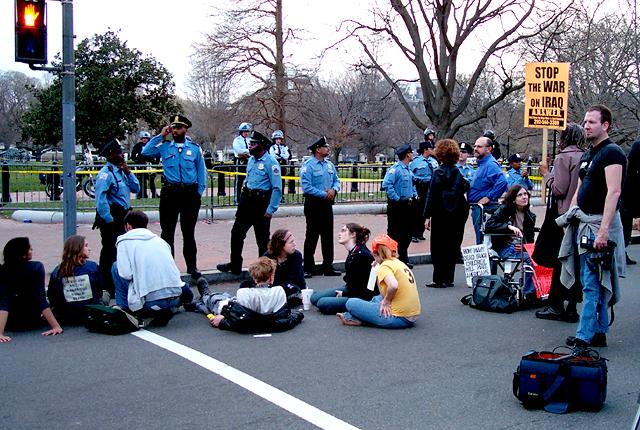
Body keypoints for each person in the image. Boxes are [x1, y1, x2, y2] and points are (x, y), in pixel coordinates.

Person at [561, 105, 626, 348]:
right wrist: (570, 215)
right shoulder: (589, 154)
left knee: (592, 283)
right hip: (583, 223)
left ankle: (584, 335)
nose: (586, 125)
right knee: (595, 281)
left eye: (592, 122)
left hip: (598, 224)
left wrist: (603, 230)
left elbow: (614, 192)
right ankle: (598, 330)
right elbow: (580, 187)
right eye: (585, 122)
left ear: (605, 125)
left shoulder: (613, 154)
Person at [142, 115, 207, 279]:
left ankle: (192, 267)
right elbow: (145, 152)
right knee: (167, 233)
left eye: (179, 128)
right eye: (174, 127)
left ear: (186, 129)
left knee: (188, 232)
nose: (176, 130)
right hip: (170, 194)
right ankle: (168, 267)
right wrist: (161, 135)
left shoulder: (194, 148)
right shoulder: (165, 147)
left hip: (189, 194)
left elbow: (201, 172)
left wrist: (198, 194)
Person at [535, 123, 585, 322]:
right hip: (579, 214)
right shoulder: (586, 156)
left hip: (561, 215)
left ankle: (556, 305)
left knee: (559, 259)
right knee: (574, 261)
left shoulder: (564, 157)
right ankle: (572, 306)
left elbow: (559, 189)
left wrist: (547, 175)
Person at [217, 131, 283, 275]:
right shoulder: (252, 160)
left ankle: (264, 270)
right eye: (250, 143)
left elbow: (277, 188)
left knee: (263, 239)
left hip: (261, 202)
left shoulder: (271, 163)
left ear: (261, 146)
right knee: (236, 233)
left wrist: (271, 209)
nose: (250, 146)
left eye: (253, 144)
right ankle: (235, 264)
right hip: (247, 200)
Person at [111, 210, 194, 324]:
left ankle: (124, 308)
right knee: (178, 286)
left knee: (116, 267)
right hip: (174, 297)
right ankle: (171, 305)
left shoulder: (124, 242)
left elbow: (125, 274)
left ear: (128, 226)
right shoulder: (160, 241)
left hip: (149, 302)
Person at [336, 234, 420, 329]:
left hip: (398, 318)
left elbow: (393, 285)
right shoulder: (399, 263)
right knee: (377, 298)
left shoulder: (384, 267)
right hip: (412, 315)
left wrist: (386, 301)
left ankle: (352, 317)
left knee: (351, 303)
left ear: (375, 254)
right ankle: (357, 317)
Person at [205, 257, 304, 333]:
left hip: (230, 307)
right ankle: (207, 295)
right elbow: (285, 319)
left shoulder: (243, 293)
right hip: (252, 311)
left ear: (254, 278)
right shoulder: (279, 292)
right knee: (227, 297)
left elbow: (238, 319)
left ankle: (206, 295)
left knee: (217, 299)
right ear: (270, 278)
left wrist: (222, 322)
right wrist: (298, 314)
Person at [93, 139, 140, 295]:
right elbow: (101, 200)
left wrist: (128, 172)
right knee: (109, 252)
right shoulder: (105, 175)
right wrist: (109, 220)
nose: (122, 155)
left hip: (124, 215)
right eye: (119, 152)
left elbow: (136, 188)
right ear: (111, 154)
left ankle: (119, 282)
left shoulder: (122, 172)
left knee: (123, 251)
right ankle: (107, 285)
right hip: (112, 218)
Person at [424, 139, 470, 288]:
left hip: (440, 213)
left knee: (438, 246)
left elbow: (431, 195)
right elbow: (465, 187)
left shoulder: (438, 172)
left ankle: (438, 278)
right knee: (452, 245)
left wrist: (427, 216)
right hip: (456, 213)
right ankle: (449, 278)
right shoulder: (458, 172)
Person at [0, 238, 63, 342]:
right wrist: (56, 326)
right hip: (32, 319)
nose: (32, 250)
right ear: (23, 254)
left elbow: (4, 302)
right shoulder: (36, 267)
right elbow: (41, 299)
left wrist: (0, 333)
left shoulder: (4, 271)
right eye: (29, 248)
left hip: (10, 322)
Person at [484, 185, 538, 302]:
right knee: (532, 260)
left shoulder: (530, 216)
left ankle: (538, 291)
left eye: (525, 194)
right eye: (520, 195)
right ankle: (529, 294)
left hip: (521, 247)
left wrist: (524, 247)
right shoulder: (504, 209)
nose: (524, 197)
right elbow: (489, 225)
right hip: (505, 247)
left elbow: (530, 239)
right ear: (513, 199)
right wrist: (508, 227)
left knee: (542, 257)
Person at [311, 223, 377, 314]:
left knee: (322, 303)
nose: (339, 233)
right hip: (351, 288)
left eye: (343, 230)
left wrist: (344, 294)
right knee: (314, 298)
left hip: (361, 296)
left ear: (353, 234)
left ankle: (356, 307)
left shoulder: (361, 255)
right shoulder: (354, 251)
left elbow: (364, 288)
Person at [300, 136, 341, 278]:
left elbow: (336, 180)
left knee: (327, 236)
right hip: (314, 204)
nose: (328, 149)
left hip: (327, 205)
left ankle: (328, 266)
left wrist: (334, 190)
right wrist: (324, 194)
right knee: (311, 236)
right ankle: (308, 268)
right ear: (318, 149)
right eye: (325, 147)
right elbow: (306, 187)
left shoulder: (329, 165)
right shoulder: (308, 166)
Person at [48, 235, 103, 324]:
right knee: (106, 294)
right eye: (86, 246)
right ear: (78, 249)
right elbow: (99, 290)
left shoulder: (57, 271)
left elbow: (53, 296)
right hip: (91, 311)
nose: (89, 249)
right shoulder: (92, 267)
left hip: (66, 314)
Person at [468, 136, 508, 244]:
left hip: (485, 210)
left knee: (483, 241)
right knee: (481, 239)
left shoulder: (490, 164)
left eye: (479, 146)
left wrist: (489, 197)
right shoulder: (483, 163)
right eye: (475, 146)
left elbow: (502, 182)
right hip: (478, 208)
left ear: (489, 149)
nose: (475, 148)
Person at [382, 144, 416, 266]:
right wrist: (396, 199)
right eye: (411, 152)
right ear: (407, 154)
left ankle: (403, 257)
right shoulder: (395, 169)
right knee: (395, 233)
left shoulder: (408, 169)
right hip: (397, 205)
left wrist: (414, 195)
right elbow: (387, 185)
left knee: (407, 233)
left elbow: (412, 185)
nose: (412, 154)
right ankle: (393, 259)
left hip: (408, 204)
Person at [263, 229, 305, 306]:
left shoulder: (296, 256)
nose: (294, 244)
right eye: (291, 242)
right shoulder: (268, 257)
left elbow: (292, 280)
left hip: (292, 288)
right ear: (281, 245)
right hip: (273, 289)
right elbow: (263, 278)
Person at [410, 140, 438, 242]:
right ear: (425, 150)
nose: (432, 150)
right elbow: (411, 177)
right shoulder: (415, 162)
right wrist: (414, 192)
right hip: (419, 187)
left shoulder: (433, 161)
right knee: (417, 212)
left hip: (430, 188)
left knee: (426, 211)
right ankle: (414, 234)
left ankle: (420, 232)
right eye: (430, 148)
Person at [620, 139, 640, 265]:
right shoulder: (637, 146)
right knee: (625, 226)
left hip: (630, 194)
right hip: (629, 196)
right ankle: (621, 252)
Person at [130, 131, 158, 199]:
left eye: (146, 138)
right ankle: (142, 195)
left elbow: (157, 154)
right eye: (143, 138)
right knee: (142, 182)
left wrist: (155, 163)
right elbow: (133, 156)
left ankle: (154, 195)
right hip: (141, 166)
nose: (144, 139)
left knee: (151, 181)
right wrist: (137, 161)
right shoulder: (138, 145)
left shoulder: (151, 145)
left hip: (150, 166)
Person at [233, 122, 252, 203]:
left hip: (249, 160)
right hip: (240, 161)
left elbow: (252, 150)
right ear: (241, 132)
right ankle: (237, 198)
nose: (246, 133)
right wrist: (247, 151)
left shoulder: (249, 140)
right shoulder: (237, 140)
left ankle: (247, 198)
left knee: (249, 180)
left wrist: (247, 152)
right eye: (244, 131)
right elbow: (238, 150)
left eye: (247, 131)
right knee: (239, 180)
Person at [269, 130, 291, 196]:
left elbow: (288, 155)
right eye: (276, 139)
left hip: (282, 166)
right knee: (275, 181)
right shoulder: (272, 147)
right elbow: (273, 156)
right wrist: (282, 155)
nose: (278, 141)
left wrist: (280, 155)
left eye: (279, 139)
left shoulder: (284, 147)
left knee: (282, 181)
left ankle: (282, 195)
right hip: (275, 166)